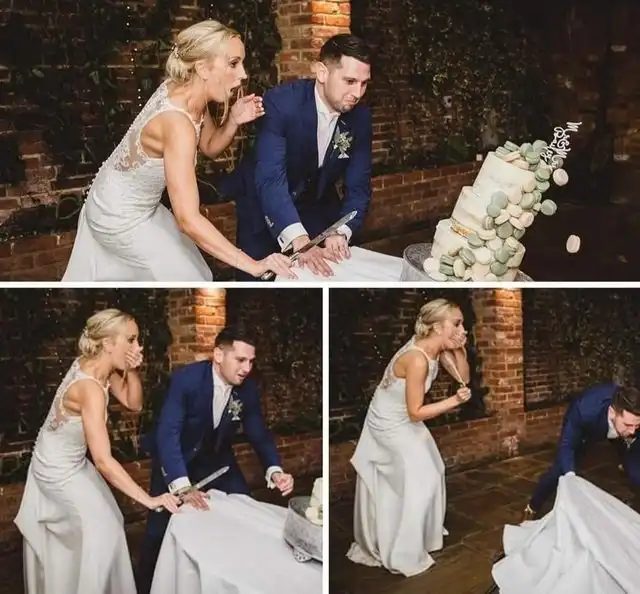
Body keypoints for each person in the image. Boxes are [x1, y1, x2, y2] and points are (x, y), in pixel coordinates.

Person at [61, 20, 294, 281]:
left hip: (135, 203)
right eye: (233, 63)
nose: (243, 74)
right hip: (119, 215)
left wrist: (232, 121)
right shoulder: (177, 125)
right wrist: (254, 265)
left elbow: (209, 146)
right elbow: (188, 220)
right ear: (202, 68)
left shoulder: (187, 92)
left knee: (190, 270)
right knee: (188, 275)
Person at [14, 309, 180, 594]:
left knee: (110, 522)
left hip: (74, 461)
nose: (138, 347)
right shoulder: (89, 388)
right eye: (131, 340)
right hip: (55, 469)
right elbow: (103, 460)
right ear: (107, 343)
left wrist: (131, 370)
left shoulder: (101, 367)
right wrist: (149, 500)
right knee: (102, 533)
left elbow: (134, 403)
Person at [136, 326, 295, 594]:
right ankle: (146, 586)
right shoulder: (186, 380)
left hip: (218, 463)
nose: (247, 368)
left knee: (245, 512)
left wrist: (274, 469)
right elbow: (168, 434)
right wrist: (182, 486)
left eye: (251, 361)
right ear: (219, 355)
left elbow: (258, 432)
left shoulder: (247, 389)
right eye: (241, 360)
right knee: (158, 532)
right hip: (176, 461)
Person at [216, 33, 373, 280]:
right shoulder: (280, 103)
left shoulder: (360, 118)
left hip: (315, 205)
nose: (358, 93)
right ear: (322, 73)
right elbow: (270, 179)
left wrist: (341, 231)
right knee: (256, 282)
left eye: (364, 84)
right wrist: (298, 239)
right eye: (350, 81)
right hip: (263, 204)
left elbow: (359, 187)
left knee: (320, 278)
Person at [346, 299, 472, 577]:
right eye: (457, 323)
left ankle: (424, 536)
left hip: (403, 418)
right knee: (421, 481)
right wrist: (454, 401)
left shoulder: (436, 348)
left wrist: (459, 348)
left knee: (434, 469)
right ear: (437, 327)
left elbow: (464, 378)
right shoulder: (417, 359)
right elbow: (415, 412)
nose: (463, 328)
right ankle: (403, 552)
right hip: (389, 423)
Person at [522, 382, 640, 522]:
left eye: (637, 425)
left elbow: (632, 429)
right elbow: (567, 445)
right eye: (628, 425)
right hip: (588, 432)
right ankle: (532, 506)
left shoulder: (633, 423)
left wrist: (631, 431)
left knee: (636, 472)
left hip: (620, 436)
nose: (633, 431)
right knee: (559, 470)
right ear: (612, 412)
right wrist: (570, 476)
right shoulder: (584, 410)